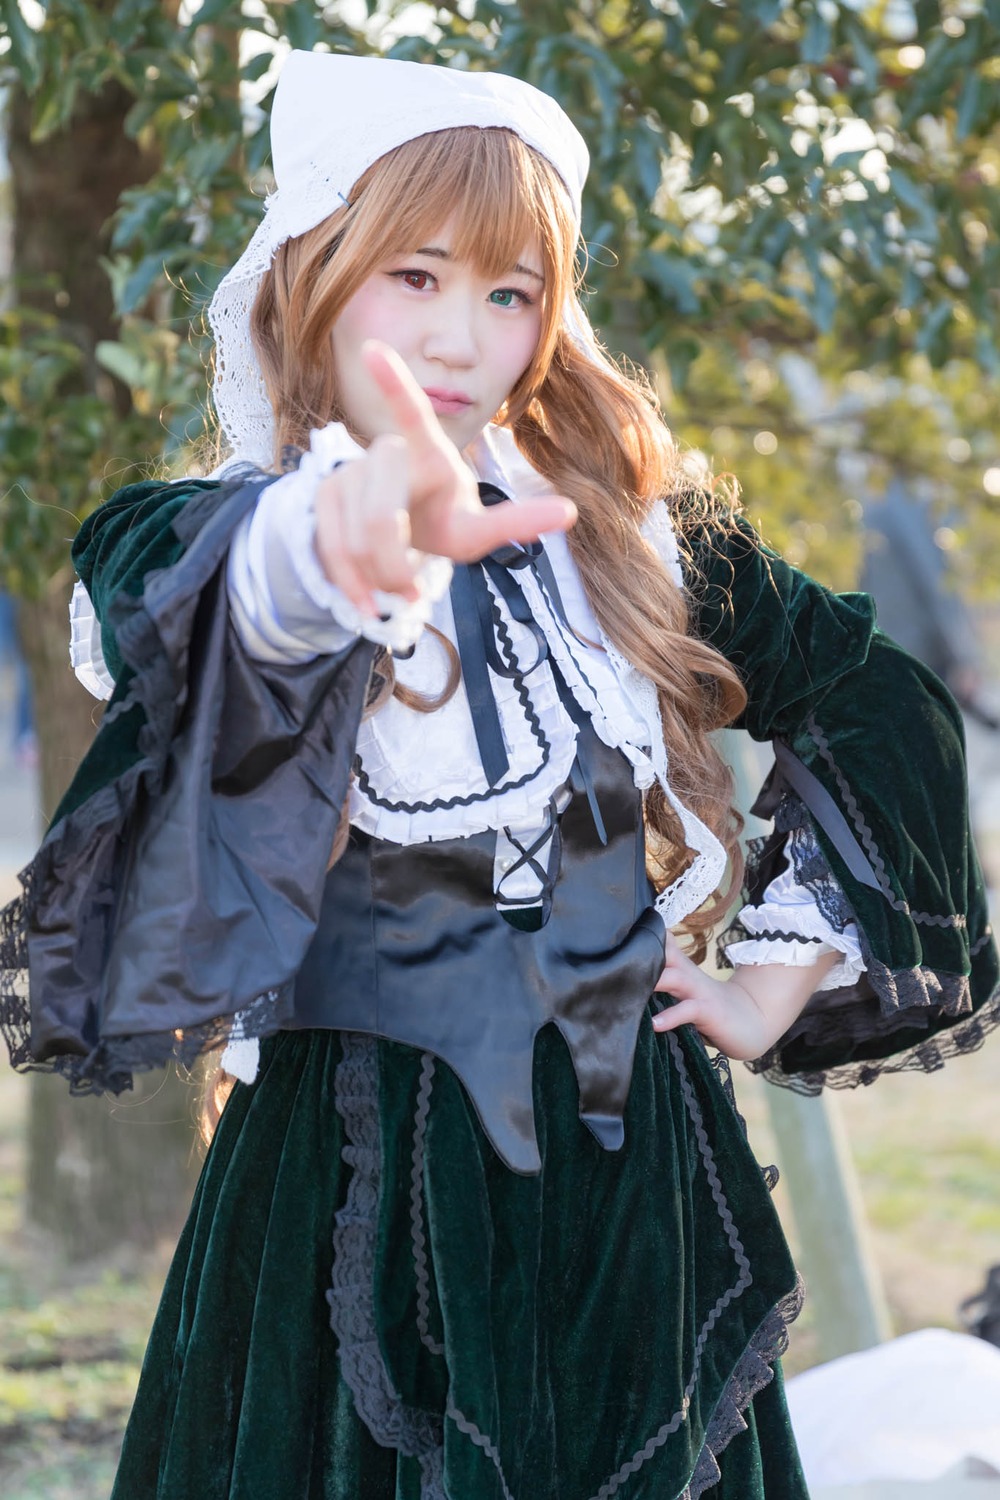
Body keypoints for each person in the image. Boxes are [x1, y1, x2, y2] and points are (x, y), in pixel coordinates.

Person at [1, 51, 997, 1500]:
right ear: (308, 277)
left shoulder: (628, 546)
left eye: (511, 289)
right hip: (353, 1182)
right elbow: (208, 600)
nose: (465, 335)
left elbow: (877, 694)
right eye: (416, 275)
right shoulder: (207, 533)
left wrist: (781, 967)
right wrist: (350, 529)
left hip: (627, 1171)